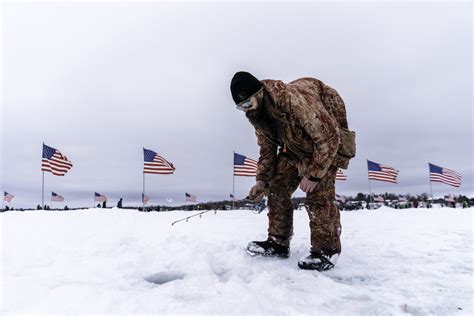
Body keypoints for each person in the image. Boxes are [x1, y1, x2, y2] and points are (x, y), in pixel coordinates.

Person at [230, 71, 355, 271]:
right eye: (241, 107)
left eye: (247, 104)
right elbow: (267, 151)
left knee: (317, 195)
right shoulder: (259, 117)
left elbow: (329, 138)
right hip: (294, 147)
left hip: (325, 141)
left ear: (259, 94)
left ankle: (326, 250)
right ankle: (277, 242)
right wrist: (262, 181)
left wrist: (314, 173)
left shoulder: (293, 101)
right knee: (277, 186)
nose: (246, 111)